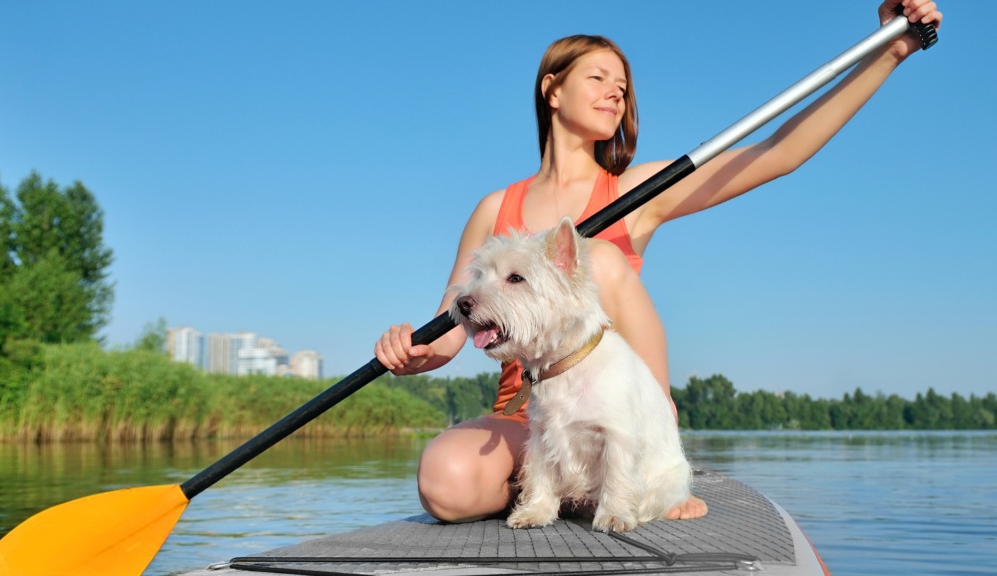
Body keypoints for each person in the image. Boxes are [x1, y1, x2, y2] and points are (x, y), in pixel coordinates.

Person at [374, 0, 942, 523]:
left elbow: (779, 152)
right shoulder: (496, 208)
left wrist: (892, 49)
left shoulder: (634, 195)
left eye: (622, 86)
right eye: (597, 78)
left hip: (622, 416)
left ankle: (639, 462)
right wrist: (412, 351)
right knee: (444, 484)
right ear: (552, 90)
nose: (615, 93)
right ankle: (552, 489)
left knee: (602, 263)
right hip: (532, 422)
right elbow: (453, 327)